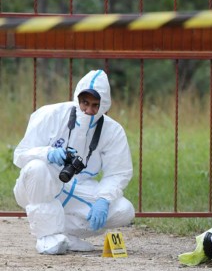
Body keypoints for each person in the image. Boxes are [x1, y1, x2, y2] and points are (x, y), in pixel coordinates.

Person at [13, 69, 135, 255]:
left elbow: (118, 173)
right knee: (36, 167)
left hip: (80, 188)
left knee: (124, 210)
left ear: (104, 105)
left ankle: (64, 235)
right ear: (77, 97)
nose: (88, 110)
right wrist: (47, 154)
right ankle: (47, 236)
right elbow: (20, 155)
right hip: (42, 184)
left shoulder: (113, 131)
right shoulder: (51, 114)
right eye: (85, 103)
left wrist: (103, 199)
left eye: (95, 105)